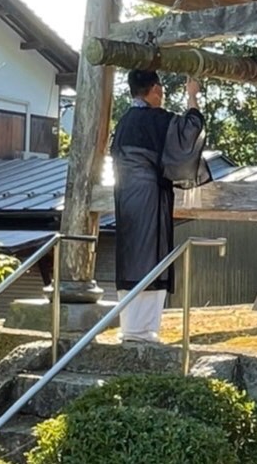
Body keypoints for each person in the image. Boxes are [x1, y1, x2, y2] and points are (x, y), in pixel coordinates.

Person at [110, 69, 208, 344]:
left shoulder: (124, 122)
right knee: (152, 256)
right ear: (153, 89)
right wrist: (192, 96)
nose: (162, 96)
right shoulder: (156, 119)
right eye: (161, 91)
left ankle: (132, 328)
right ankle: (142, 331)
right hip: (150, 195)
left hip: (125, 196)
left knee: (132, 257)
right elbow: (191, 129)